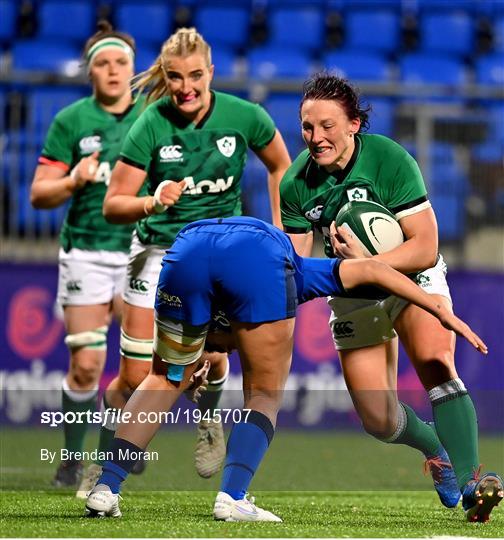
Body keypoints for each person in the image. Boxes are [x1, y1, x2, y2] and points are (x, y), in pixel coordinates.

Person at [83, 215, 487, 521]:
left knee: (164, 376)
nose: (228, 350)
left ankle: (106, 487)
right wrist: (436, 305)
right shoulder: (301, 271)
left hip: (186, 249)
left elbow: (372, 271)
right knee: (264, 393)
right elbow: (372, 269)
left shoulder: (299, 273)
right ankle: (233, 498)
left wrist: (193, 360)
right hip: (253, 254)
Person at [279, 73, 503, 523]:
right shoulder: (295, 184)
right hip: (352, 293)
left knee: (437, 363)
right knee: (378, 419)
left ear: (354, 124)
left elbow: (425, 245)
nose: (316, 137)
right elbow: (296, 268)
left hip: (412, 274)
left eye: (327, 126)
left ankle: (472, 481)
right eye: (307, 127)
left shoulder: (389, 159)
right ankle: (435, 448)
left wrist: (372, 261)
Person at [98, 27, 291, 483]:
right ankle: (110, 448)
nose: (186, 87)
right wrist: (153, 200)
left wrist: (284, 231)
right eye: (176, 77)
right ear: (165, 76)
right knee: (135, 377)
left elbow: (281, 164)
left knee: (216, 356)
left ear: (212, 72)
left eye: (196, 76)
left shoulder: (245, 116)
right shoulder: (151, 123)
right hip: (159, 249)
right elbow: (113, 205)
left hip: (218, 250)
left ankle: (208, 420)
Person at [30, 21, 145, 494]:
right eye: (103, 63)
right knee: (86, 366)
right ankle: (73, 460)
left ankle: (108, 459)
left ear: (134, 69)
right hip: (87, 255)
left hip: (142, 254)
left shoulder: (153, 117)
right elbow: (39, 194)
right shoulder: (71, 121)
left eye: (121, 62)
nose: (113, 70)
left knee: (137, 373)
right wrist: (74, 180)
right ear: (90, 71)